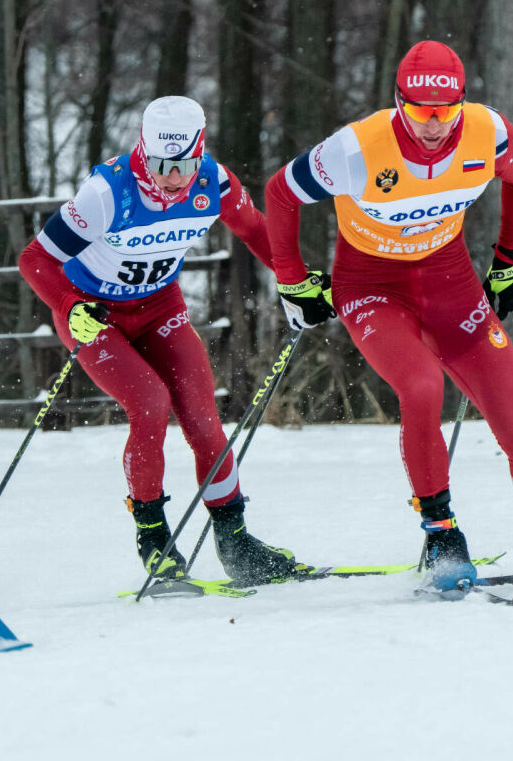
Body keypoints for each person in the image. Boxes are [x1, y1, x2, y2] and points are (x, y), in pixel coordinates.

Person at [264, 41, 513, 589]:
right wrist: (292, 278)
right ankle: (441, 532)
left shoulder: (489, 132)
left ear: (461, 103)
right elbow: (279, 193)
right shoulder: (355, 149)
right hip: (371, 287)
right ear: (398, 103)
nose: (433, 127)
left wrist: (507, 261)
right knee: (421, 386)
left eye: (445, 113)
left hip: (449, 281)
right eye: (418, 113)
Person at [20, 95, 310, 585]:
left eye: (182, 164)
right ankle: (154, 536)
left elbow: (257, 231)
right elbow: (35, 260)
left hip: (159, 307)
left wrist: (296, 279)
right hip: (95, 315)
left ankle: (236, 541)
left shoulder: (213, 183)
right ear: (142, 149)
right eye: (159, 164)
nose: (171, 177)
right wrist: (70, 307)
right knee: (150, 404)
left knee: (202, 418)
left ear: (200, 152)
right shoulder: (107, 192)